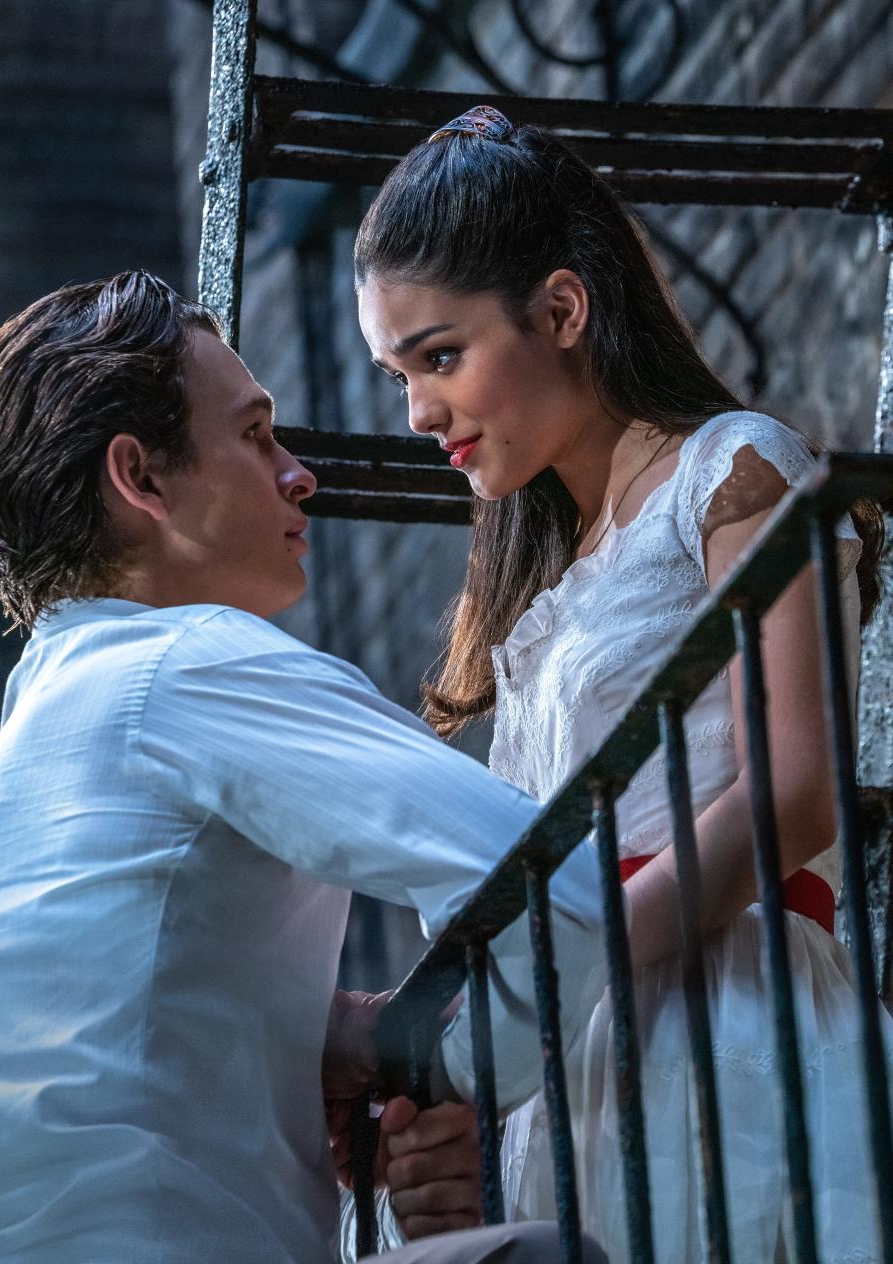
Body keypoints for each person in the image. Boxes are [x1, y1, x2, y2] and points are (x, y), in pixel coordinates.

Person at [0, 270, 608, 1264]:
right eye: (254, 436)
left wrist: (312, 1033)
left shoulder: (42, 730)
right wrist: (433, 1064)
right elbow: (564, 882)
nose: (301, 474)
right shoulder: (181, 663)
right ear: (142, 479)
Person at [354, 105, 892, 1262]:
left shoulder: (733, 469)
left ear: (560, 310)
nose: (416, 412)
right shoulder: (548, 578)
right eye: (397, 372)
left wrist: (540, 983)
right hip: (581, 1073)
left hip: (729, 1025)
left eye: (440, 356)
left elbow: (796, 788)